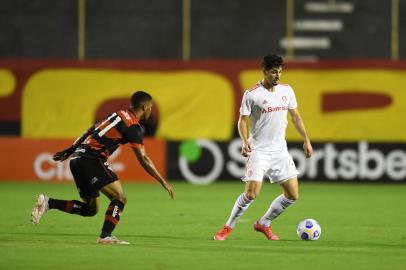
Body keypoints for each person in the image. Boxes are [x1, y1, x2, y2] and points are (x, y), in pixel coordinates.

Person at [31, 91, 174, 245]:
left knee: (91, 209)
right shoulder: (133, 126)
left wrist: (71, 149)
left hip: (77, 159)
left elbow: (91, 129)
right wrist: (162, 181)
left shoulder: (118, 114)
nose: (151, 111)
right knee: (120, 197)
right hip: (92, 159)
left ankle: (49, 203)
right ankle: (105, 236)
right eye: (151, 107)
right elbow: (144, 158)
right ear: (145, 107)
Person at [214, 54, 313, 241]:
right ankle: (228, 227)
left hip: (280, 151)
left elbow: (296, 117)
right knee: (251, 194)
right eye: (274, 72)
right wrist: (245, 141)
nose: (278, 76)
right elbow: (242, 121)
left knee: (292, 195)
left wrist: (306, 139)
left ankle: (264, 223)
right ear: (265, 72)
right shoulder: (252, 94)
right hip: (259, 150)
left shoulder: (287, 91)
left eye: (280, 72)